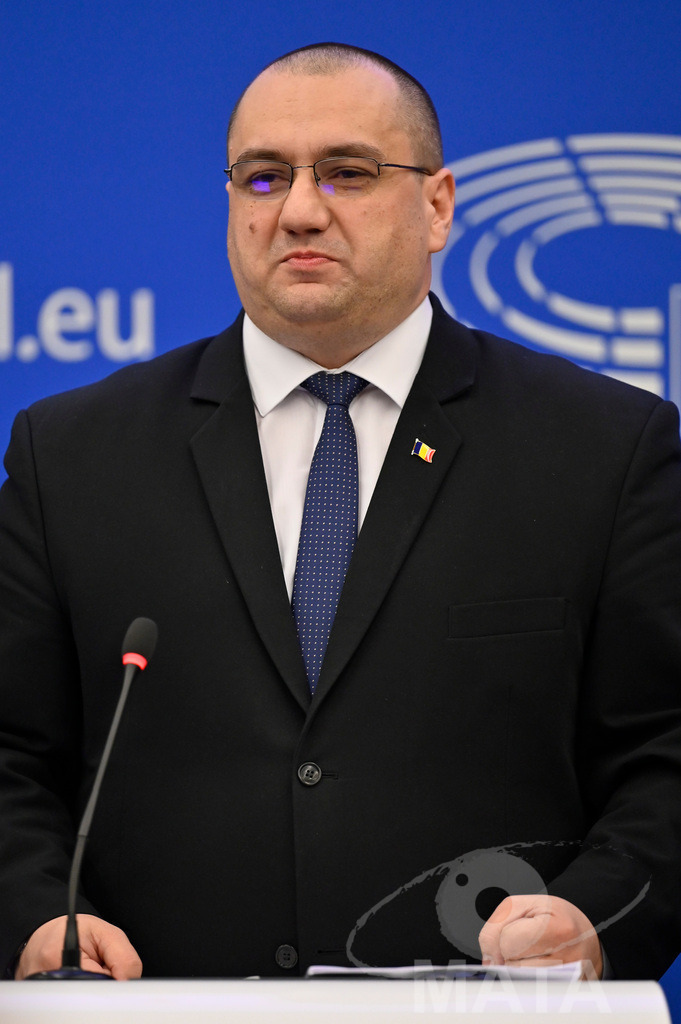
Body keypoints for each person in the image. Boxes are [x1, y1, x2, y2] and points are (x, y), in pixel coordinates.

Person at [1, 42, 681, 983]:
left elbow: (663, 751)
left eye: (348, 173)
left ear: (437, 205)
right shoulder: (72, 454)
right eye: (263, 177)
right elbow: (10, 753)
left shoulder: (602, 446)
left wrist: (594, 918)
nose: (299, 211)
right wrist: (39, 917)